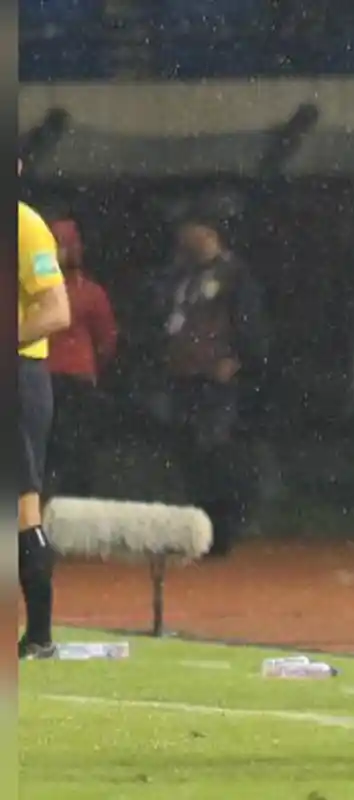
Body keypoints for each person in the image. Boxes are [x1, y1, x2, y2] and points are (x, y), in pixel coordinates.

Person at [152, 207, 269, 558]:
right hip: (184, 377)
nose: (183, 236)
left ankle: (222, 532)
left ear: (208, 232)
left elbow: (252, 325)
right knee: (188, 454)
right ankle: (196, 533)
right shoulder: (181, 275)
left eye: (190, 228)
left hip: (214, 382)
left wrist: (239, 361)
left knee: (215, 453)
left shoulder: (235, 275)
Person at [18, 164, 73, 659]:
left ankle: (39, 636)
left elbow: (57, 311)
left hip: (15, 376)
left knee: (20, 507)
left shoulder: (23, 224)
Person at [46, 217, 119, 499]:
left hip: (64, 379)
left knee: (69, 448)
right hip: (64, 377)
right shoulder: (88, 292)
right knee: (70, 447)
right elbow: (107, 340)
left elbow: (107, 338)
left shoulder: (87, 292)